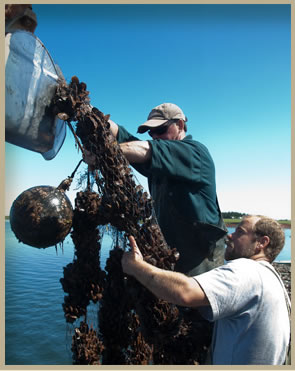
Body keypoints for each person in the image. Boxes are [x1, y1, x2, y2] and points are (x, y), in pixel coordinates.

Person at [121, 215, 290, 365]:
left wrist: (136, 266)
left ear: (262, 242)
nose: (229, 236)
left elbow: (185, 292)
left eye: (240, 232)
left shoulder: (248, 271)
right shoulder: (273, 280)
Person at [88, 102, 227, 276]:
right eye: (151, 132)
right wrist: (88, 111)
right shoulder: (159, 164)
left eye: (160, 130)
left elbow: (141, 148)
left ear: (180, 125)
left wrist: (102, 154)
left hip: (201, 261)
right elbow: (124, 137)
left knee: (197, 301)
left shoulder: (194, 152)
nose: (154, 136)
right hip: (171, 256)